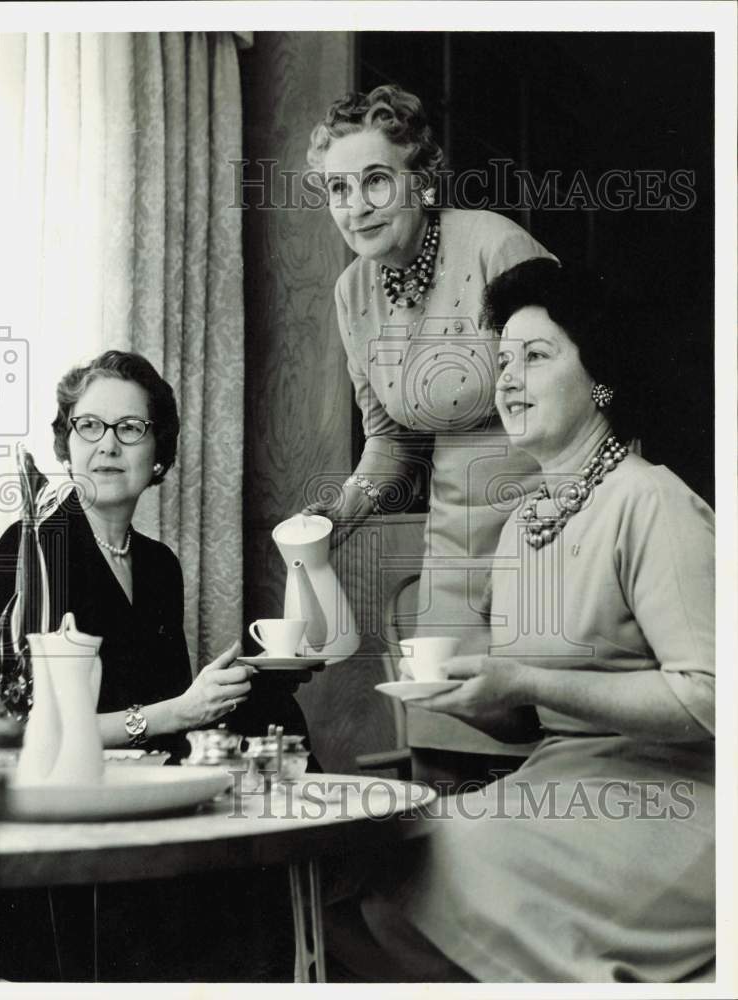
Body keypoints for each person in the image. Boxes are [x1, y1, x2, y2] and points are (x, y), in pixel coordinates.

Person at [325, 258, 715, 983]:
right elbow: (533, 717)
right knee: (373, 862)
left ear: (599, 379)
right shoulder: (525, 522)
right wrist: (476, 695)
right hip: (564, 783)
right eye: (501, 360)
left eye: (534, 357)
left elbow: (707, 698)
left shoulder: (651, 501)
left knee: (444, 858)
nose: (506, 379)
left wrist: (520, 677)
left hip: (679, 801)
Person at [0, 351, 295, 981]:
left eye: (130, 428)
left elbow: (167, 704)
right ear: (66, 444)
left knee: (273, 713)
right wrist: (179, 711)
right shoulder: (36, 546)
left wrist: (214, 697)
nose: (107, 445)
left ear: (159, 457)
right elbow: (19, 733)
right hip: (66, 817)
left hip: (143, 795)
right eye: (88, 426)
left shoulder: (157, 566)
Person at [304, 85, 557, 782]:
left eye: (376, 180)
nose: (354, 206)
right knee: (449, 769)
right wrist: (338, 514)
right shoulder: (352, 292)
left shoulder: (494, 245)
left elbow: (591, 391)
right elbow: (391, 440)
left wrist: (579, 522)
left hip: (548, 538)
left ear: (420, 177)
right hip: (453, 551)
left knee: (554, 762)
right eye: (336, 189)